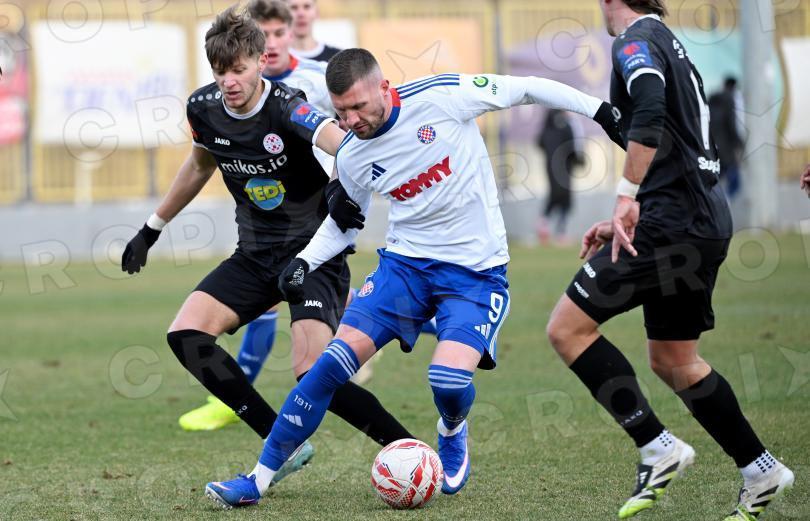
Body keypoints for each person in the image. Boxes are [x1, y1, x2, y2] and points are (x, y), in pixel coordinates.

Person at [202, 47, 623, 509]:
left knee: (447, 382)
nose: (351, 120)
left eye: (359, 106)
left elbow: (525, 88)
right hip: (403, 271)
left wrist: (599, 110)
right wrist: (305, 261)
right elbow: (345, 222)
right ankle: (257, 480)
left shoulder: (443, 97)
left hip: (474, 274)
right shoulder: (353, 153)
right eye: (341, 112)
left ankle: (452, 428)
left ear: (384, 88)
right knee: (326, 368)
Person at [121, 6, 414, 489]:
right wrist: (152, 228)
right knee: (186, 335)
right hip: (255, 255)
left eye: (238, 69)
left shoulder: (287, 106)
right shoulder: (203, 108)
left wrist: (342, 189)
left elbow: (339, 141)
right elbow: (199, 166)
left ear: (260, 62)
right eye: (220, 71)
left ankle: (408, 448)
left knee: (311, 373)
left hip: (311, 255)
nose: (229, 82)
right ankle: (284, 442)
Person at [545, 1, 794, 519]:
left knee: (567, 330)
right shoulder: (671, 44)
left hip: (673, 224)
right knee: (674, 361)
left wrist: (626, 198)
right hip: (700, 219)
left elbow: (651, 110)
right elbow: (662, 131)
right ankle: (762, 469)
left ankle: (657, 447)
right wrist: (636, 209)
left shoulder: (634, 39)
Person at [536, 109, 583, 244]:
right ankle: (558, 231)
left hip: (553, 167)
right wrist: (577, 160)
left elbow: (539, 143)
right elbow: (572, 147)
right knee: (563, 199)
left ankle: (546, 225)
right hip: (562, 168)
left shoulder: (548, 128)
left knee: (557, 197)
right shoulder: (566, 126)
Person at [709, 77, 744, 199]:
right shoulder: (730, 99)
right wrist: (739, 143)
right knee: (735, 183)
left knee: (716, 179)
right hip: (727, 149)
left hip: (714, 147)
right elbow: (731, 124)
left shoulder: (712, 100)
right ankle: (724, 201)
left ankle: (718, 200)